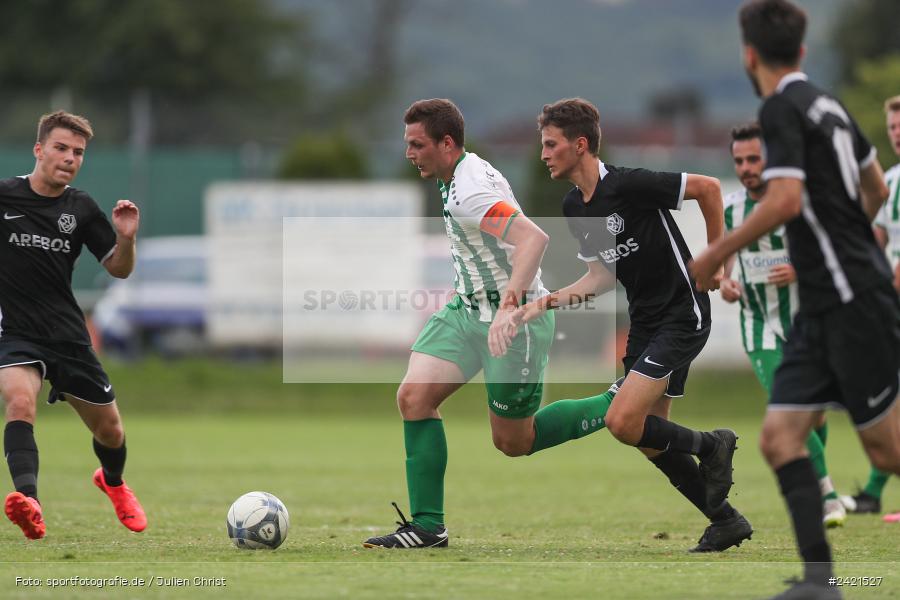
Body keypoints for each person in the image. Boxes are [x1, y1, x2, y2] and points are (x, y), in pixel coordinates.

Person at [691, 2, 900, 597]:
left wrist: (713, 254)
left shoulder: (780, 108)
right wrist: (844, 241)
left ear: (748, 55)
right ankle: (820, 582)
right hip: (827, 303)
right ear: (802, 52)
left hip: (853, 301)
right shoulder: (830, 105)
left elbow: (782, 200)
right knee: (780, 437)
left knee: (887, 451)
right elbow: (877, 187)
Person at [502, 97, 753, 553]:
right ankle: (726, 521)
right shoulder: (576, 206)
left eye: (550, 144)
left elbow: (710, 189)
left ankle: (714, 445)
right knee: (648, 438)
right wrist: (545, 302)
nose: (543, 154)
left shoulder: (631, 184)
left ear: (580, 145)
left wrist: (717, 257)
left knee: (621, 421)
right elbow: (602, 276)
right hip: (645, 323)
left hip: (683, 312)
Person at [363, 99, 616, 549]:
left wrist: (508, 309)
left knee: (514, 442)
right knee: (414, 396)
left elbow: (532, 239)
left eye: (417, 144)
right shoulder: (457, 174)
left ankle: (614, 402)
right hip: (466, 311)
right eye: (407, 144)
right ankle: (427, 527)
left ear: (446, 143)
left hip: (511, 321)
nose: (409, 154)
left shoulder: (469, 191)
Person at [0, 111, 147, 540]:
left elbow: (119, 270)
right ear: (39, 149)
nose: (69, 158)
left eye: (78, 152)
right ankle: (30, 503)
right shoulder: (5, 196)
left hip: (67, 335)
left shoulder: (81, 208)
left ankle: (114, 483)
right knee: (19, 404)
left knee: (111, 431)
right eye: (61, 148)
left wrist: (126, 238)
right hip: (16, 333)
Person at [721, 122, 845, 528]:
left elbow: (836, 253)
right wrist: (725, 281)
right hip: (759, 325)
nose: (745, 168)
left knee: (814, 415)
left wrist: (797, 268)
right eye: (739, 161)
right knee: (787, 405)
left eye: (753, 159)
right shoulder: (733, 208)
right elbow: (727, 252)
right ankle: (827, 495)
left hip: (805, 322)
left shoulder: (798, 203)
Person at [841, 94, 900, 519]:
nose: (897, 133)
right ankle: (874, 492)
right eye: (893, 127)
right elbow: (875, 240)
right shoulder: (891, 181)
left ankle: (873, 492)